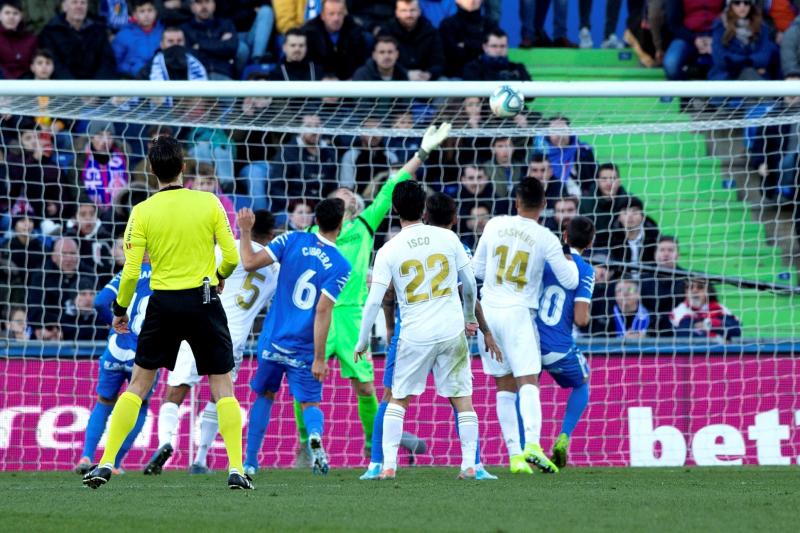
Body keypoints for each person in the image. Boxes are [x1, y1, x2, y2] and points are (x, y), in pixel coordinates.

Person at [81, 136, 249, 490]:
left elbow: (130, 271)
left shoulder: (142, 211)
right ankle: (236, 468)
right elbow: (232, 257)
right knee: (222, 386)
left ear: (153, 170)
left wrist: (120, 309)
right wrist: (218, 278)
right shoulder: (209, 202)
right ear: (183, 168)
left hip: (163, 303)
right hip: (203, 300)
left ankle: (107, 461)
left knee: (139, 385)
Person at [286, 124, 450, 470]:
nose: (344, 193)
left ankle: (371, 442)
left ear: (356, 204)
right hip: (319, 313)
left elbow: (393, 187)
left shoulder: (363, 225)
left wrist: (422, 152)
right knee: (305, 382)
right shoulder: (314, 232)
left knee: (364, 387)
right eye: (340, 191)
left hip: (352, 316)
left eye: (349, 193)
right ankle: (306, 444)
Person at [360, 191, 502, 481]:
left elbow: (375, 300)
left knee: (398, 398)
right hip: (451, 331)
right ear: (423, 208)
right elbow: (470, 286)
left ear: (395, 209)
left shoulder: (389, 249)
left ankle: (387, 466)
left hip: (414, 334)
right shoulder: (449, 239)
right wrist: (471, 318)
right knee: (463, 398)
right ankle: (469, 466)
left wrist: (362, 341)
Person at [142, 210, 278, 475]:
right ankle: (201, 459)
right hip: (233, 336)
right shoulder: (275, 267)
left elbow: (200, 277)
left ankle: (166, 442)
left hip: (201, 321)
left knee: (176, 388)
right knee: (221, 396)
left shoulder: (228, 249)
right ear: (271, 235)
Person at [473, 177, 578, 475]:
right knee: (528, 381)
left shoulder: (494, 225)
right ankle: (532, 444)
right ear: (544, 205)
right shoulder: (545, 237)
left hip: (489, 312)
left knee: (503, 385)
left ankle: (515, 456)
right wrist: (572, 259)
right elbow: (570, 280)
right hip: (518, 312)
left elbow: (478, 271)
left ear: (516, 202)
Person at [239, 200, 351, 476]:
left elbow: (249, 262)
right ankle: (314, 437)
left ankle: (251, 462)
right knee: (310, 404)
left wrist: (244, 231)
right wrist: (320, 358)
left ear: (315, 220)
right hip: (303, 348)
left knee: (264, 395)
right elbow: (323, 309)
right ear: (340, 225)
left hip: (273, 341)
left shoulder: (291, 239)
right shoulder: (341, 265)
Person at [74, 255, 154, 476]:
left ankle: (87, 455)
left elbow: (99, 301)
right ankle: (114, 462)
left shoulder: (128, 272)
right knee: (140, 403)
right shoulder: (164, 274)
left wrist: (113, 322)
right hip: (143, 351)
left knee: (104, 401)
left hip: (115, 349)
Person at [535, 216, 595, 469]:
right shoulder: (586, 270)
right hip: (559, 348)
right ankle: (564, 436)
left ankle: (528, 446)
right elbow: (581, 319)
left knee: (527, 390)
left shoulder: (545, 262)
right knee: (582, 384)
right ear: (590, 242)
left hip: (530, 342)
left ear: (564, 236)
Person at [38, 0, 117, 80]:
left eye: (83, 3)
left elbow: (107, 62)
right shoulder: (51, 32)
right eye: (74, 2)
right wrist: (74, 88)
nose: (79, 6)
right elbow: (55, 64)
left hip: (96, 88)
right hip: (64, 88)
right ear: (65, 7)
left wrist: (95, 88)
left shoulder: (99, 30)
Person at [709, 0, 778, 81]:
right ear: (730, 5)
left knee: (749, 73)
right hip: (727, 78)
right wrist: (749, 63)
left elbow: (764, 56)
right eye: (737, 2)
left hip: (754, 76)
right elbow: (720, 59)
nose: (742, 6)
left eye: (747, 2)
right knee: (749, 73)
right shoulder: (719, 26)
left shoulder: (762, 27)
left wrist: (738, 62)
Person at [303, 0, 370, 80]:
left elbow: (360, 62)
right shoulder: (309, 33)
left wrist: (354, 78)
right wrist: (322, 77)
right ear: (322, 16)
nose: (336, 18)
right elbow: (308, 64)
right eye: (331, 14)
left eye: (340, 14)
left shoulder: (355, 31)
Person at [379, 0, 444, 81]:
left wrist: (429, 74)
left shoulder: (431, 32)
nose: (409, 15)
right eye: (404, 10)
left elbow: (439, 61)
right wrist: (406, 73)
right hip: (395, 80)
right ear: (397, 13)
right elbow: (380, 60)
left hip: (426, 80)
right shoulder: (386, 32)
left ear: (419, 12)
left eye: (412, 10)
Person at [533, 115, 596, 196]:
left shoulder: (584, 151)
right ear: (548, 135)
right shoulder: (540, 154)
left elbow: (593, 179)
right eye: (554, 131)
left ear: (570, 132)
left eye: (563, 130)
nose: (560, 135)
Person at [663, 0, 725, 80]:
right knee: (671, 64)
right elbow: (673, 23)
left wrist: (716, 39)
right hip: (687, 36)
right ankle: (686, 90)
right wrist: (694, 39)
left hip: (717, 35)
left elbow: (731, 14)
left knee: (727, 61)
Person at [640, 236, 686, 335]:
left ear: (678, 255)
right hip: (650, 331)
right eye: (662, 250)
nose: (666, 254)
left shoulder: (687, 280)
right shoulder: (643, 279)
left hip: (680, 331)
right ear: (655, 254)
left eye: (670, 250)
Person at [181, 0, 239, 80]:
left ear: (214, 5)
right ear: (192, 7)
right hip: (197, 76)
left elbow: (231, 48)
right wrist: (219, 44)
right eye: (199, 2)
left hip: (223, 73)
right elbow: (189, 54)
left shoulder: (226, 24)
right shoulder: (185, 29)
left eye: (207, 1)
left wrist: (200, 45)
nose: (204, 6)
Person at [670, 277, 741, 341]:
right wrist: (718, 334)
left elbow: (736, 331)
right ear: (685, 292)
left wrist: (708, 324)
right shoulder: (679, 311)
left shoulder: (720, 308)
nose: (694, 291)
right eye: (689, 287)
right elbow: (684, 335)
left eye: (700, 287)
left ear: (708, 291)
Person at [439, 0, 496, 78]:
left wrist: (466, 44)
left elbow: (497, 50)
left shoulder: (490, 24)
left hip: (487, 77)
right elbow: (452, 55)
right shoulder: (447, 25)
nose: (472, 0)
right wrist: (480, 46)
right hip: (455, 78)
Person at [111, 0, 163, 78]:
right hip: (131, 81)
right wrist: (129, 71)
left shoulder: (163, 32)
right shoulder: (123, 35)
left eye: (150, 10)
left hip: (159, 79)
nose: (147, 15)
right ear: (134, 15)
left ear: (156, 12)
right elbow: (114, 62)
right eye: (142, 11)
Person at [609, 195, 660, 272]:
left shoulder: (655, 238)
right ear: (619, 217)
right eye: (625, 212)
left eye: (635, 211)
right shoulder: (611, 238)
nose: (630, 216)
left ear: (642, 216)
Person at [462, 29, 532, 81]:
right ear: (485, 47)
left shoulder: (518, 68)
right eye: (494, 46)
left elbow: (530, 95)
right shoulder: (473, 68)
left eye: (502, 46)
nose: (498, 50)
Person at [0, 0, 37, 79]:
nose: (11, 17)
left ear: (21, 16)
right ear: (0, 16)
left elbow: (35, 64)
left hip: (26, 84)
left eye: (15, 13)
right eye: (7, 13)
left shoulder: (31, 40)